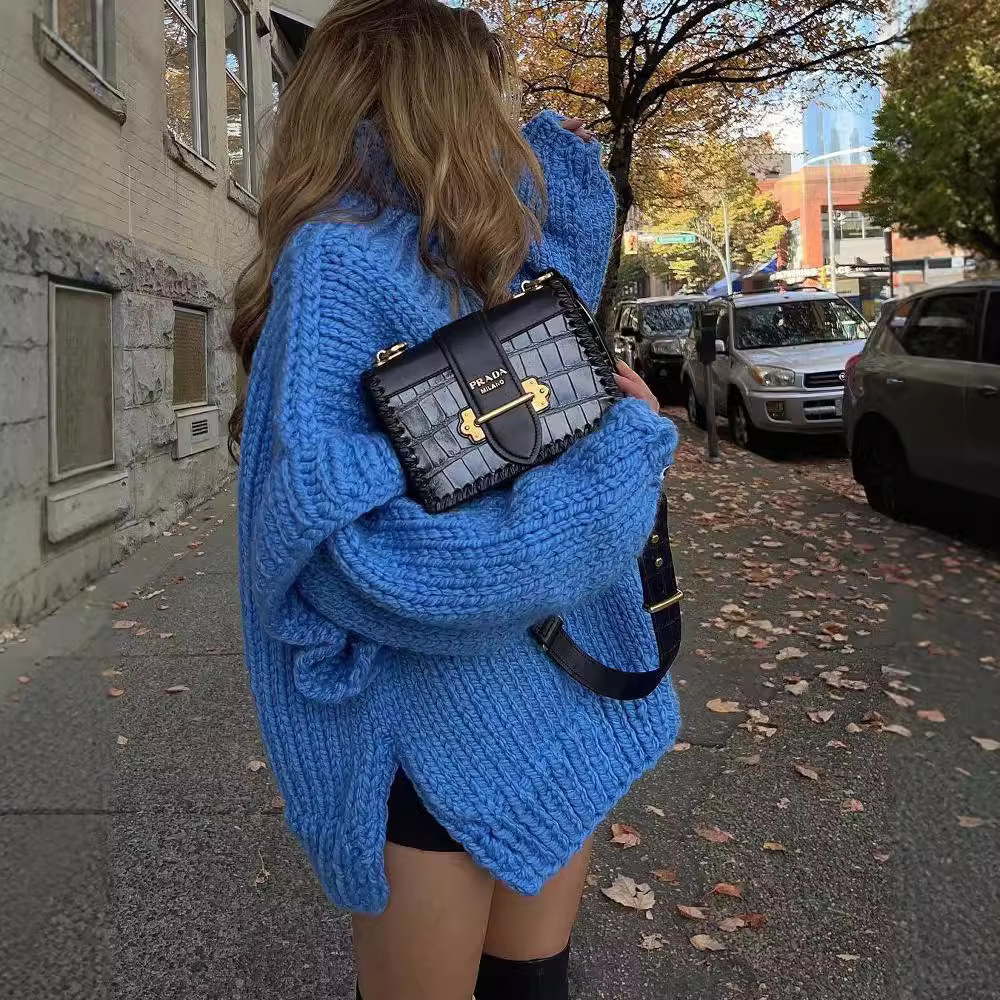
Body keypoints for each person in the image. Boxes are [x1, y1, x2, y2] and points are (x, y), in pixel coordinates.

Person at [229, 2, 681, 998]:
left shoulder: (482, 255)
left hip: (546, 698)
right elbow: (355, 560)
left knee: (531, 984)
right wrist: (623, 465)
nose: (507, 116)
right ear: (440, 100)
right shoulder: (339, 262)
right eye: (491, 93)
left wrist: (614, 426)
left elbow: (551, 394)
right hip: (432, 734)